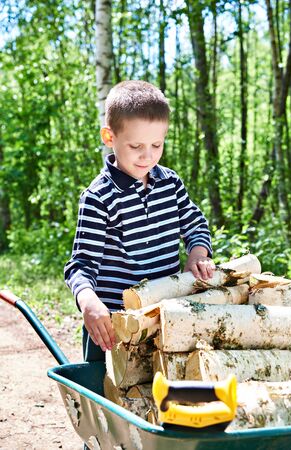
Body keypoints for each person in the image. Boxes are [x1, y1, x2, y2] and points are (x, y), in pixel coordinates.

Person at [64, 80, 215, 364]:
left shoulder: (170, 183)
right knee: (109, 397)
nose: (148, 156)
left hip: (165, 318)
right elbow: (81, 266)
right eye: (136, 146)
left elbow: (195, 224)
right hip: (112, 327)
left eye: (157, 144)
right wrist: (88, 302)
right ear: (109, 137)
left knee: (159, 398)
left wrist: (198, 254)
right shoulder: (99, 197)